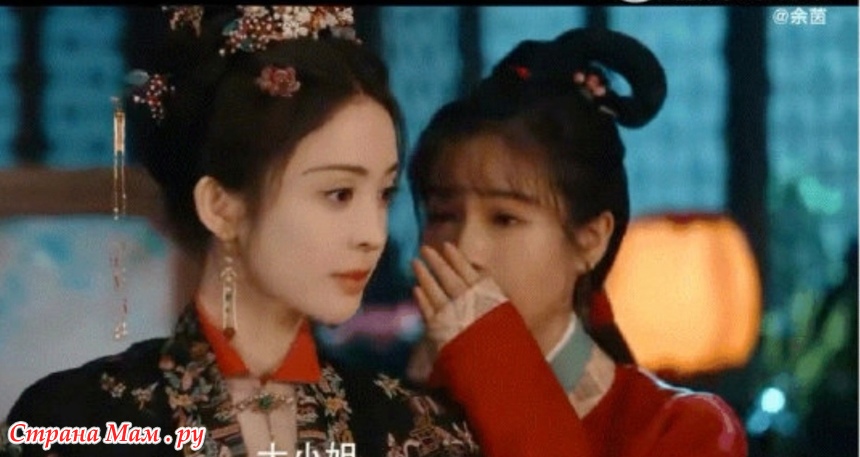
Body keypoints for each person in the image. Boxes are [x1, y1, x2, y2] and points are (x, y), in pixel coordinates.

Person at [1, 6, 480, 457]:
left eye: (384, 194)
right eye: (338, 194)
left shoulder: (413, 428)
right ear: (220, 207)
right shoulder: (76, 420)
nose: (373, 234)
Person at [407, 27, 748, 456]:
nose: (465, 248)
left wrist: (493, 364)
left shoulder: (684, 429)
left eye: (505, 219)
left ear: (591, 240)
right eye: (443, 216)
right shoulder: (396, 409)